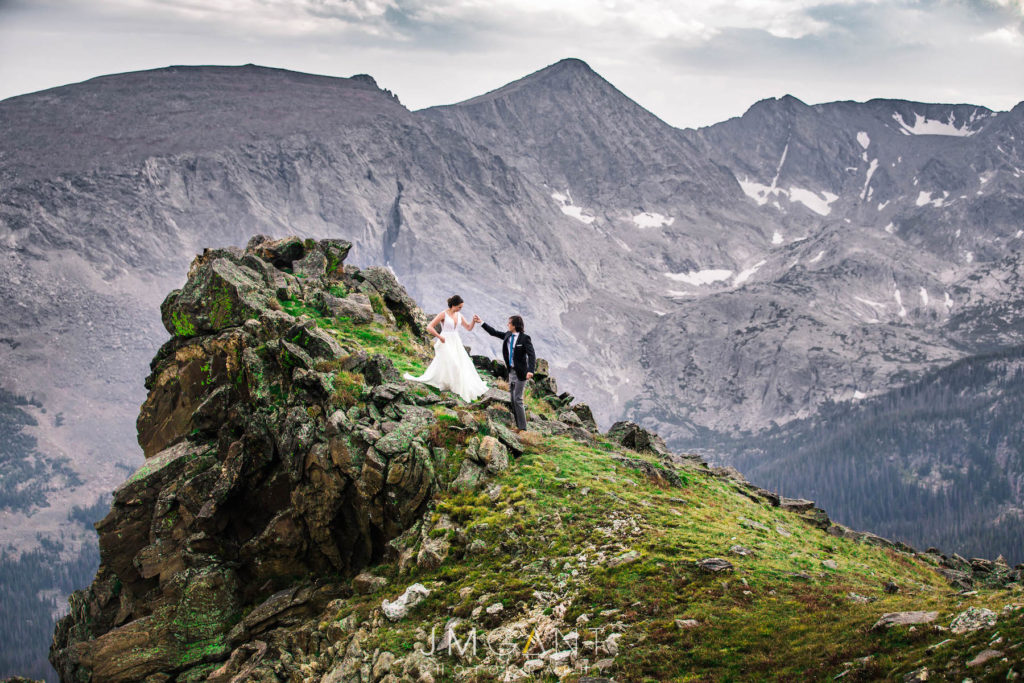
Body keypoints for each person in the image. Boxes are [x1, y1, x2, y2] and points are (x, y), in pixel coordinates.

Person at [403, 295, 489, 402]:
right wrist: (439, 337)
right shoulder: (443, 314)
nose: (460, 309)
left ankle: (452, 384)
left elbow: (468, 328)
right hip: (445, 340)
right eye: (459, 307)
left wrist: (473, 321)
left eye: (461, 307)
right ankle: (451, 385)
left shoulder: (459, 315)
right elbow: (429, 327)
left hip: (456, 341)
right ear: (453, 305)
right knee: (453, 363)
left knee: (460, 363)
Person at [477, 314, 535, 432]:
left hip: (521, 373)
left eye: (509, 323)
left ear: (515, 325)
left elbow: (531, 355)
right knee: (513, 399)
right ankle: (518, 425)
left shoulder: (525, 338)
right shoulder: (508, 335)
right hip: (511, 371)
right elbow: (494, 332)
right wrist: (481, 322)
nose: (507, 325)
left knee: (518, 399)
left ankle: (523, 428)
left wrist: (530, 370)